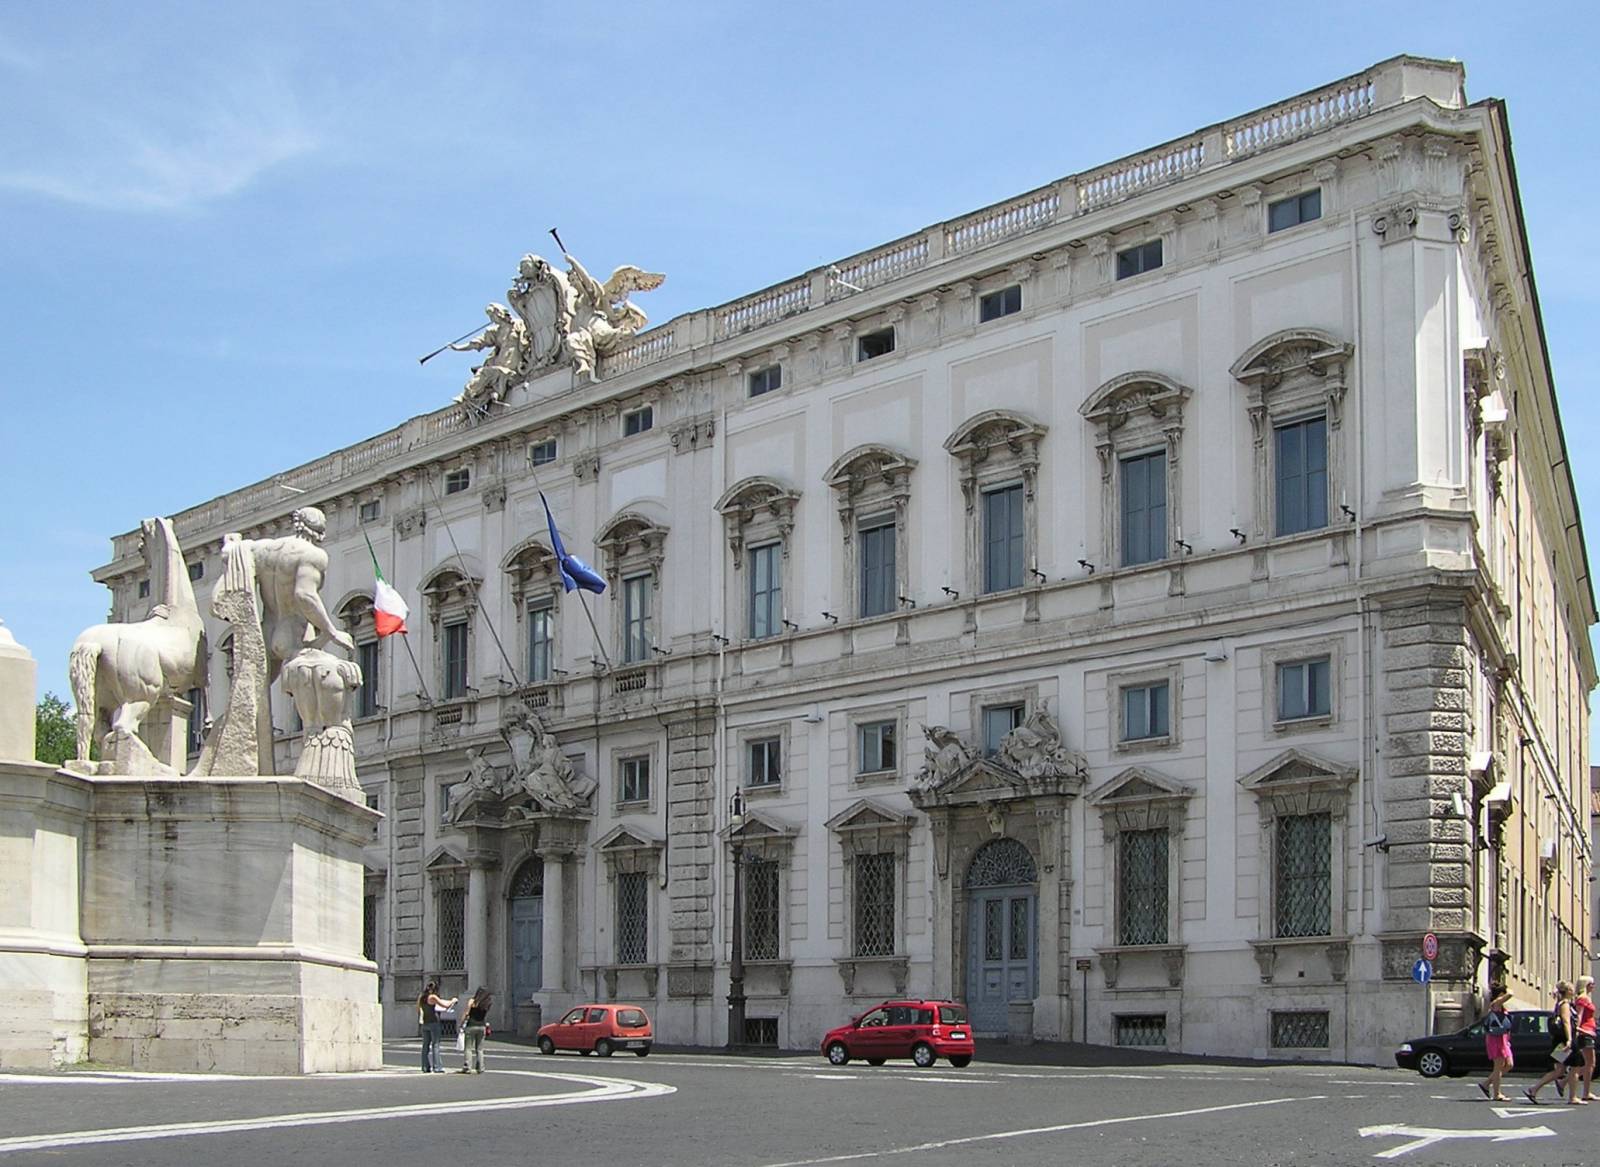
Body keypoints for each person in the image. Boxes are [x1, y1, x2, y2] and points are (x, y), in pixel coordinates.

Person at [1526, 981, 1575, 1104]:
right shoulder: (1564, 1004)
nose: (1573, 991)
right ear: (1567, 991)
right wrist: (1569, 1039)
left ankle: (1534, 1089)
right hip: (1564, 1040)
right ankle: (1572, 1097)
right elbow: (1566, 1022)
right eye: (1571, 989)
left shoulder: (1561, 1003)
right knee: (1576, 1065)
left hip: (1561, 1039)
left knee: (1560, 1070)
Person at [1478, 984, 1514, 1101]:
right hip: (1495, 1038)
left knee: (1509, 1064)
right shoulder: (1496, 1003)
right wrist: (1507, 990)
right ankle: (1497, 1093)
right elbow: (1511, 994)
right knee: (1498, 1066)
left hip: (1503, 1038)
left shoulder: (1501, 1006)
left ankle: (1486, 1083)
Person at [418, 981, 457, 1073]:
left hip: (425, 1022)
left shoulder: (421, 997)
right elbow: (445, 1005)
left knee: (425, 1045)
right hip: (434, 1022)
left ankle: (425, 1066)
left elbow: (418, 1009)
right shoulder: (433, 997)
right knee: (435, 1045)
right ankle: (437, 1067)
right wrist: (453, 1000)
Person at [1570, 975, 1597, 1105]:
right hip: (1585, 1033)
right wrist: (1579, 1031)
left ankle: (1586, 1091)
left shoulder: (1586, 998)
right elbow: (1579, 1017)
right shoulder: (1582, 999)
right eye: (1592, 984)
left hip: (1589, 1032)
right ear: (1587, 985)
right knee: (1589, 1063)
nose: (1594, 986)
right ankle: (1585, 1092)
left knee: (1589, 1063)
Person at [458, 986, 493, 1074]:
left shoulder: (472, 1001)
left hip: (471, 1025)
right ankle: (481, 1067)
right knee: (480, 1049)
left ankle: (467, 1067)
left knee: (468, 1048)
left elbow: (466, 1013)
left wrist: (461, 1023)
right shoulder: (487, 1003)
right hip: (482, 1026)